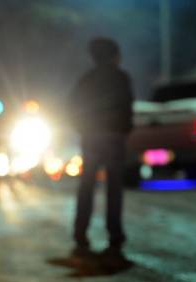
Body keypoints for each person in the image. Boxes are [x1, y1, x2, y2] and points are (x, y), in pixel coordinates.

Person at [68, 37, 134, 266]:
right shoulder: (121, 78)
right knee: (113, 189)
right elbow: (127, 107)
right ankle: (115, 239)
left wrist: (84, 129)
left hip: (92, 138)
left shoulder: (87, 80)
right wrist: (123, 130)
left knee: (87, 187)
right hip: (114, 138)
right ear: (114, 55)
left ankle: (80, 237)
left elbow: (73, 108)